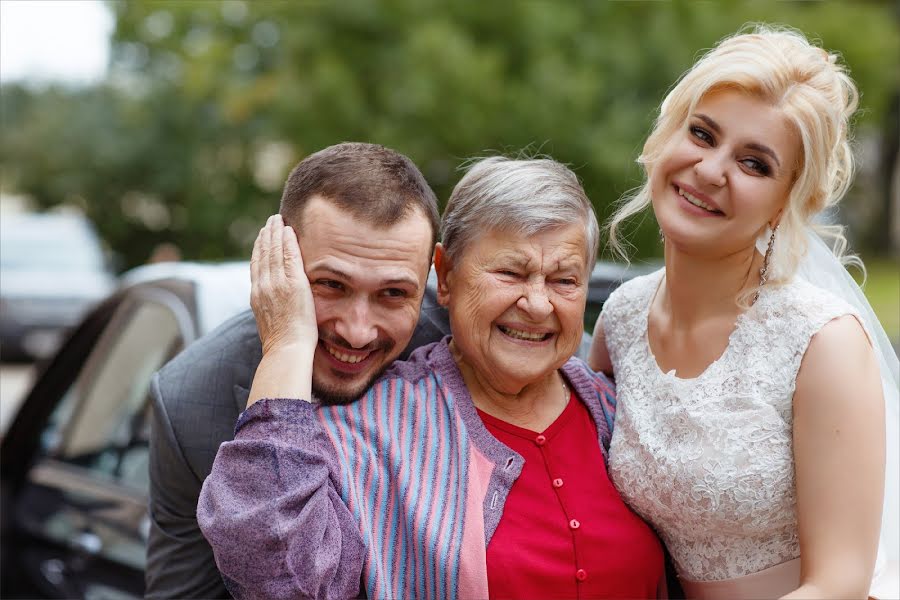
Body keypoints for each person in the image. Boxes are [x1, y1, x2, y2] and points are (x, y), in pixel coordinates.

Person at [198, 157, 666, 599]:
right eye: (509, 273)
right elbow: (280, 578)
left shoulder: (619, 410)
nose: (539, 304)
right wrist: (287, 344)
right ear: (445, 276)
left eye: (564, 280)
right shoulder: (363, 431)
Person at [589, 26, 900, 599]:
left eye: (754, 164)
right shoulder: (621, 318)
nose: (710, 171)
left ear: (789, 201)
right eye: (702, 134)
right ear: (665, 137)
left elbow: (841, 584)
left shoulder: (821, 345)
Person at [145, 142, 451, 599]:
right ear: (278, 262)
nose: (356, 331)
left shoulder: (462, 344)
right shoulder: (188, 400)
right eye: (330, 284)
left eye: (392, 293)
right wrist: (288, 346)